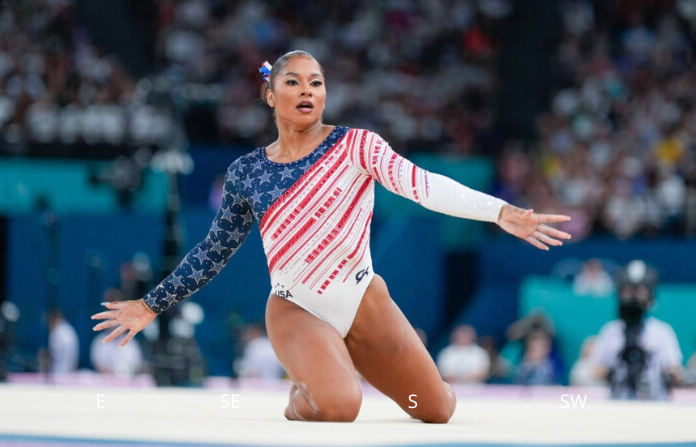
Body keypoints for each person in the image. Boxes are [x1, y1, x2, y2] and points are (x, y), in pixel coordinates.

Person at [92, 50, 571, 423]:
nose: (307, 91)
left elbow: (422, 186)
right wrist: (150, 304)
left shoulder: (357, 146)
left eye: (316, 83)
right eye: (293, 82)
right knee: (341, 407)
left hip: (365, 301)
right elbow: (212, 253)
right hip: (297, 309)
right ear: (270, 95)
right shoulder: (248, 174)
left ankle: (339, 366)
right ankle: (303, 396)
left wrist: (499, 211)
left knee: (435, 409)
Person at [592, 260, 683, 400]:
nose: (633, 298)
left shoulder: (662, 332)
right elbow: (598, 368)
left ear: (650, 296)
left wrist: (667, 375)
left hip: (655, 403)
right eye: (628, 291)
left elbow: (674, 368)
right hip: (618, 403)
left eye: (640, 292)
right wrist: (613, 371)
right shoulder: (611, 331)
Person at [46, 308, 79, 374]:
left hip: (59, 373)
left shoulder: (57, 332)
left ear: (54, 319)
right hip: (70, 372)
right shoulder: (69, 329)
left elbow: (53, 355)